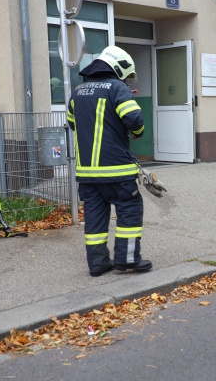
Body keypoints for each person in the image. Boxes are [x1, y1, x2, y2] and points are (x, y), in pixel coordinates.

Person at [66, 46, 152, 277]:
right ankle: (128, 259)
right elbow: (135, 120)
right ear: (118, 68)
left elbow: (73, 124)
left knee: (95, 217)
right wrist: (136, 131)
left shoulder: (78, 91)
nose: (126, 80)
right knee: (130, 209)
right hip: (116, 170)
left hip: (87, 174)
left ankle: (98, 264)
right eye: (126, 75)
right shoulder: (118, 88)